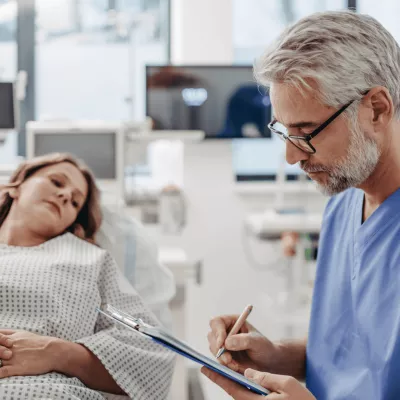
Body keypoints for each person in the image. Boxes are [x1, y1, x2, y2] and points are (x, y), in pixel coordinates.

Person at [205, 10, 400, 399]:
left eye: (306, 133)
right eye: (283, 132)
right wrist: (277, 357)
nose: (292, 158)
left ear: (376, 108)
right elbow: (361, 357)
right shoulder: (344, 204)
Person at [0, 153, 174, 399]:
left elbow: (153, 356)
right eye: (57, 182)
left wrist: (57, 353)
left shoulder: (89, 260)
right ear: (16, 186)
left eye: (74, 202)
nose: (65, 195)